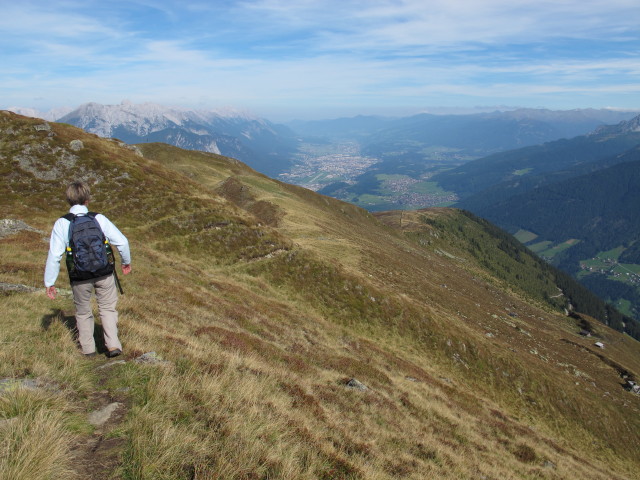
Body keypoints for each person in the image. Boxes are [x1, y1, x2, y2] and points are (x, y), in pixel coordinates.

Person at [44, 181, 131, 358]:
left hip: (79, 275)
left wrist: (49, 282)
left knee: (83, 311)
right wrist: (125, 262)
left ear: (69, 199)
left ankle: (88, 349)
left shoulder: (62, 223)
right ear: (88, 199)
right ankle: (113, 345)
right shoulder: (98, 218)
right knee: (107, 308)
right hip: (104, 271)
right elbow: (122, 241)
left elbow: (54, 255)